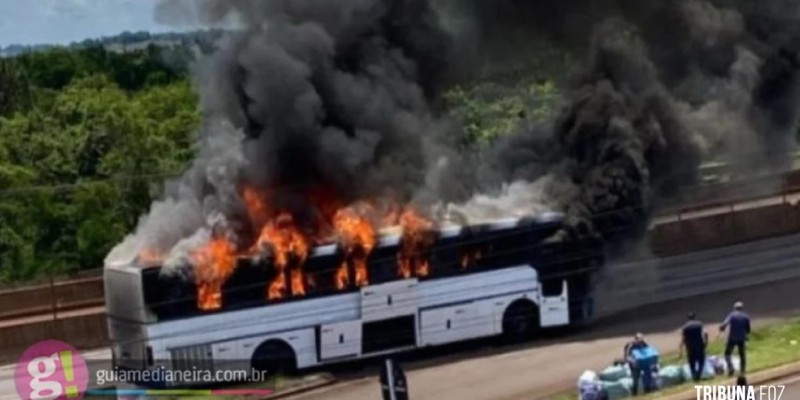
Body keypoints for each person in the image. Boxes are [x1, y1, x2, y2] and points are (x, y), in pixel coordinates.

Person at [720, 301, 751, 376]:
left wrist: (722, 328)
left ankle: (731, 367)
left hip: (732, 338)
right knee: (742, 354)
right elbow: (748, 329)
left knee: (727, 354)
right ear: (742, 308)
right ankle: (742, 370)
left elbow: (724, 324)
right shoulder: (745, 317)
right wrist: (746, 335)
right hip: (741, 338)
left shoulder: (731, 315)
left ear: (734, 308)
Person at [679, 313, 709, 382]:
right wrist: (706, 342)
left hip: (690, 346)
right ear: (694, 317)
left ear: (688, 318)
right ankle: (699, 373)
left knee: (692, 362)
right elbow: (705, 333)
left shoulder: (685, 327)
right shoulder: (700, 324)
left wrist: (681, 346)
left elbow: (683, 338)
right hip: (699, 344)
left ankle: (694, 375)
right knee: (701, 360)